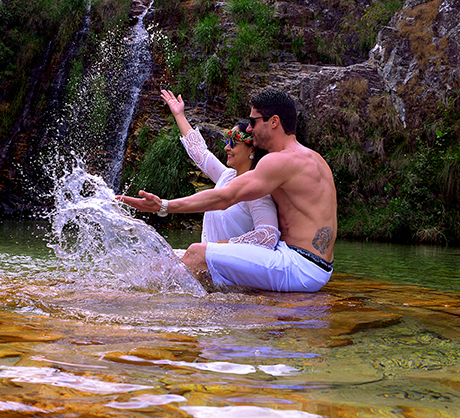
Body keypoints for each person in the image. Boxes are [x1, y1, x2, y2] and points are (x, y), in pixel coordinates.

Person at [120, 88, 337, 293]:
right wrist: (180, 115)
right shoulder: (312, 158)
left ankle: (186, 317)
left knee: (197, 253)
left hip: (300, 266)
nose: (250, 128)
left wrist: (164, 206)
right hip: (313, 264)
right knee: (166, 260)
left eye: (253, 121)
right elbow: (202, 156)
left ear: (274, 121)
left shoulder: (280, 161)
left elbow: (226, 197)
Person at [160, 89, 279, 250]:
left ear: (252, 150)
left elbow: (267, 235)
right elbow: (199, 152)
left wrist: (218, 247)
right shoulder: (227, 177)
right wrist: (179, 115)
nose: (226, 148)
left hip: (225, 267)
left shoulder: (258, 191)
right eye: (227, 141)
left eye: (233, 143)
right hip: (204, 259)